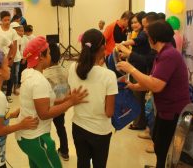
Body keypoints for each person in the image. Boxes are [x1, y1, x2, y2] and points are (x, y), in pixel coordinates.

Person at [117, 20, 190, 168]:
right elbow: (152, 80)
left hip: (173, 110)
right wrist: (134, 86)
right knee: (158, 142)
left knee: (162, 147)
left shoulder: (169, 55)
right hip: (164, 109)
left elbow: (156, 85)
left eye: (148, 35)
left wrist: (131, 69)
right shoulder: (162, 53)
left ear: (154, 38)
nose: (147, 39)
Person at [16, 36, 88, 168]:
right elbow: (44, 113)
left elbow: (46, 102)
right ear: (41, 57)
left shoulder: (28, 72)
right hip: (36, 138)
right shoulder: (39, 81)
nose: (51, 55)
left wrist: (67, 99)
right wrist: (70, 102)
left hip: (28, 137)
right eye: (48, 53)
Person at [68, 29, 117, 168]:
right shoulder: (109, 75)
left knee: (82, 163)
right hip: (100, 131)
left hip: (78, 126)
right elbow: (109, 112)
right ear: (102, 48)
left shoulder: (73, 67)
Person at [119, 11, 150, 130]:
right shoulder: (137, 33)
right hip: (135, 68)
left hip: (139, 69)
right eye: (132, 23)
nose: (133, 25)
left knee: (138, 97)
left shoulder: (142, 34)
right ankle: (138, 121)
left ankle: (139, 123)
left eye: (136, 22)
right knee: (137, 96)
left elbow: (137, 42)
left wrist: (123, 43)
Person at [43, 43, 70, 161]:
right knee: (61, 127)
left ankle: (46, 151)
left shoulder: (45, 74)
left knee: (45, 129)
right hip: (62, 106)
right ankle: (65, 151)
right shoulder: (65, 71)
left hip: (50, 107)